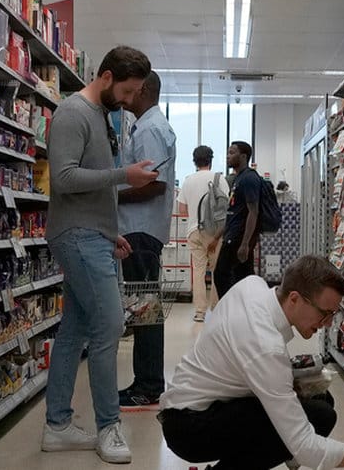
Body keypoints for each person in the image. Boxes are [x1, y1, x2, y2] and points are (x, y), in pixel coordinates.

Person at [158, 255, 344, 469]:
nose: (328, 323)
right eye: (324, 313)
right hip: (189, 427)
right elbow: (308, 449)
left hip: (196, 402)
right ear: (294, 299)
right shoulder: (266, 347)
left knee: (321, 400)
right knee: (319, 418)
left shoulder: (253, 285)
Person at [42, 45, 159, 464]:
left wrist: (110, 234)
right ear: (106, 77)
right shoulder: (73, 113)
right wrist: (124, 175)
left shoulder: (101, 116)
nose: (128, 101)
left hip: (93, 236)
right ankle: (109, 426)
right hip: (76, 236)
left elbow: (92, 185)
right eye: (126, 92)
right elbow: (64, 178)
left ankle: (57, 425)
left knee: (74, 331)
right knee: (109, 326)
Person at [116, 71, 176, 409]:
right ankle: (147, 382)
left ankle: (148, 386)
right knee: (144, 308)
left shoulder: (151, 129)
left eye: (131, 88)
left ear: (145, 90)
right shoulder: (147, 126)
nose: (124, 94)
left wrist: (111, 195)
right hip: (141, 230)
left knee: (145, 310)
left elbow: (155, 184)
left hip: (140, 231)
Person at [178, 145, 229, 322]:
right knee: (216, 270)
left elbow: (182, 209)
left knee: (198, 271)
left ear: (194, 161)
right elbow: (225, 206)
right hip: (214, 233)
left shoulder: (188, 180)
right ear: (211, 160)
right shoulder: (219, 179)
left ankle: (200, 311)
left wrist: (195, 215)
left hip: (193, 231)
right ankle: (216, 309)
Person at [214, 141, 261, 298]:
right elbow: (233, 212)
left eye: (232, 153)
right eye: (228, 152)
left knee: (221, 275)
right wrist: (217, 236)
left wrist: (245, 243)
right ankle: (242, 308)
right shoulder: (238, 179)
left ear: (243, 156)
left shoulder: (249, 179)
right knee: (242, 277)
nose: (228, 156)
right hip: (232, 235)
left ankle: (230, 308)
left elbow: (253, 211)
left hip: (238, 239)